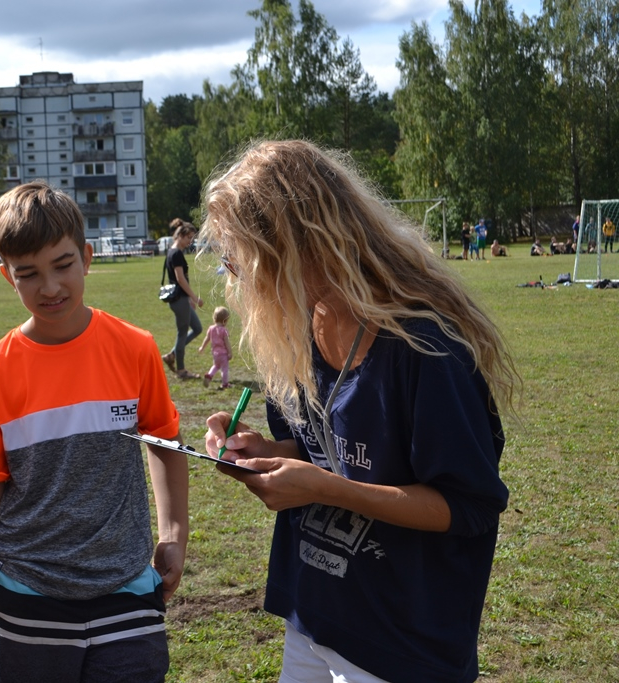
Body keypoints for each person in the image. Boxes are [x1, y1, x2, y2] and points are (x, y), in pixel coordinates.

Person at [199, 140, 519, 683]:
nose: (235, 280)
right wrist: (265, 455)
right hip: (317, 614)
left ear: (298, 248)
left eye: (240, 260)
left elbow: (466, 506)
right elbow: (323, 449)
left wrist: (323, 488)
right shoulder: (303, 325)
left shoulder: (425, 348)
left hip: (399, 640)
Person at [0, 181, 189, 683]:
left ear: (87, 257)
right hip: (27, 595)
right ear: (7, 276)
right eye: (28, 273)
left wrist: (174, 532)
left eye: (62, 265)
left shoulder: (135, 349)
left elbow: (164, 442)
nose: (49, 287)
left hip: (128, 587)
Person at [161, 218, 205, 379]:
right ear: (181, 235)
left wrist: (188, 299)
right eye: (189, 238)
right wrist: (194, 297)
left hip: (181, 299)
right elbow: (180, 279)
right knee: (182, 332)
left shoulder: (172, 251)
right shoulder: (176, 253)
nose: (190, 242)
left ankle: (171, 355)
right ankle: (181, 370)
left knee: (197, 328)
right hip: (179, 300)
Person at [198, 306, 233, 389]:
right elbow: (226, 342)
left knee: (216, 366)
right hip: (223, 354)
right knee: (224, 369)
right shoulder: (223, 330)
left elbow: (207, 339)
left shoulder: (211, 328)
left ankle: (209, 375)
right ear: (225, 320)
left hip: (215, 353)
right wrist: (230, 352)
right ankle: (225, 384)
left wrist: (202, 347)